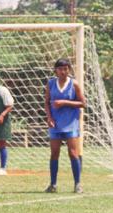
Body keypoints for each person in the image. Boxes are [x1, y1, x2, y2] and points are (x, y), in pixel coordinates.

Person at [44, 58, 86, 193]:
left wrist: (64, 102)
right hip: (55, 124)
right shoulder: (50, 84)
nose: (64, 71)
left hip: (70, 123)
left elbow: (83, 104)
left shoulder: (74, 84)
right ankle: (53, 184)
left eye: (66, 69)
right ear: (55, 70)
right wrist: (49, 118)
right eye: (61, 69)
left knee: (73, 153)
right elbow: (46, 102)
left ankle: (78, 184)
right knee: (54, 153)